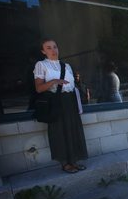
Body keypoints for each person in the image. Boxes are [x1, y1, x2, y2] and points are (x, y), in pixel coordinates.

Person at [34, 39, 88, 173]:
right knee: (59, 131)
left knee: (73, 129)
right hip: (56, 102)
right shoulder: (41, 65)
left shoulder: (66, 66)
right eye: (49, 48)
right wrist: (54, 81)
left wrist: (77, 81)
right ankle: (65, 163)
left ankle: (74, 161)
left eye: (55, 47)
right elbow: (39, 88)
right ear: (43, 52)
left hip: (70, 101)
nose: (53, 50)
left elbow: (71, 85)